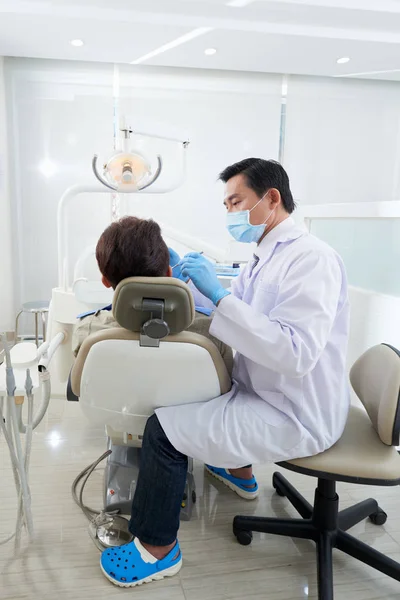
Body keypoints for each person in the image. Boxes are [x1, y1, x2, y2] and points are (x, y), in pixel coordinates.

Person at [99, 158, 350, 589]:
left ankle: (156, 550)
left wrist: (215, 292)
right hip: (265, 391)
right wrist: (195, 284)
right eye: (227, 204)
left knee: (163, 430)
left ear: (271, 198)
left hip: (296, 412)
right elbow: (242, 310)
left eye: (237, 202)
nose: (231, 213)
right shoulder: (265, 256)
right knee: (210, 393)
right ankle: (240, 472)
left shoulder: (313, 260)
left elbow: (295, 353)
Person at [72, 216, 233, 376]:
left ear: (105, 281)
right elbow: (226, 386)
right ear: (170, 273)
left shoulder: (86, 332)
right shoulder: (213, 334)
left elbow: (80, 387)